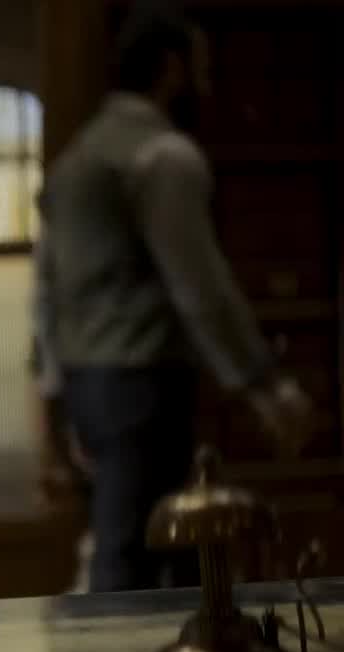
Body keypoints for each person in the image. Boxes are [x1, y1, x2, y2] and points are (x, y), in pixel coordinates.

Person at [34, 7, 314, 593]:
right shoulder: (162, 156)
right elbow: (200, 285)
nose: (207, 83)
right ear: (172, 69)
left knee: (156, 549)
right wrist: (264, 384)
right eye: (201, 67)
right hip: (142, 381)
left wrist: (53, 395)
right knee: (132, 551)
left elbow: (46, 294)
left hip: (88, 384)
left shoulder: (74, 161)